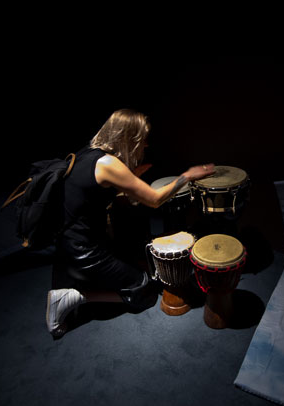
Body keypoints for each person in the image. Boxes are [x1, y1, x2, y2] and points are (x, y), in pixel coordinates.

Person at [46, 109, 214, 337]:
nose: (145, 145)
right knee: (144, 290)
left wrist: (131, 175)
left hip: (69, 241)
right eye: (142, 139)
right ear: (129, 138)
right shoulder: (108, 164)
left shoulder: (91, 153)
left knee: (135, 259)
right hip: (84, 250)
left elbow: (95, 189)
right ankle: (70, 297)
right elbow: (154, 200)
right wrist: (188, 176)